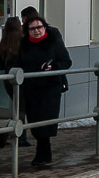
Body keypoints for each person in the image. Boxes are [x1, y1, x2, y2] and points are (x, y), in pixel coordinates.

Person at [18, 11, 72, 168]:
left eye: (39, 27)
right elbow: (18, 62)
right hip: (31, 88)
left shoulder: (53, 41)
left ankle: (42, 154)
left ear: (45, 28)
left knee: (44, 120)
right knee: (34, 121)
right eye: (32, 28)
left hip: (50, 87)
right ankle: (43, 154)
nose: (36, 30)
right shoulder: (24, 44)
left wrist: (53, 66)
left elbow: (66, 61)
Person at [0, 16, 29, 148]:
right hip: (22, 78)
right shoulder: (24, 42)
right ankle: (18, 135)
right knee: (23, 109)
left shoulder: (3, 43)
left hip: (8, 79)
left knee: (18, 107)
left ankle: (11, 132)